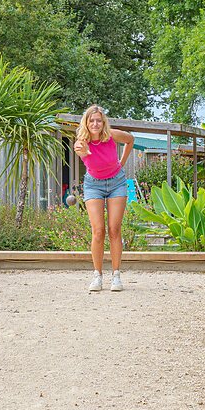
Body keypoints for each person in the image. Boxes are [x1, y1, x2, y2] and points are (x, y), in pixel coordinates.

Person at [73, 105, 134, 292]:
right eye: (91, 120)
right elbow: (81, 151)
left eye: (98, 120)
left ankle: (116, 276)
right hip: (93, 185)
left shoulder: (111, 135)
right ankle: (97, 275)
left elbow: (130, 140)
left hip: (116, 182)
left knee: (114, 229)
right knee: (98, 230)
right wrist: (81, 149)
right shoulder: (82, 142)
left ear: (103, 122)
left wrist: (121, 163)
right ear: (86, 122)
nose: (95, 123)